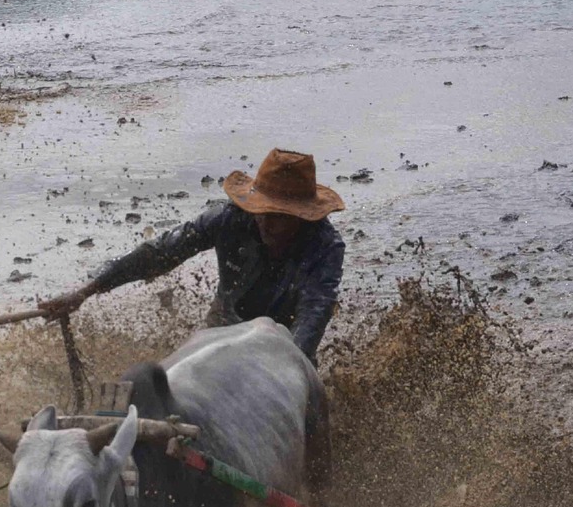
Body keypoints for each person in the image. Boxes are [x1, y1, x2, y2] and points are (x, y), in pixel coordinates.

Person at [40, 148, 346, 363]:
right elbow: (161, 252)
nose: (269, 224)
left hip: (282, 344)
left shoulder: (324, 246)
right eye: (263, 212)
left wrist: (291, 363)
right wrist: (86, 291)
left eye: (281, 217)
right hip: (223, 330)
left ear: (302, 217)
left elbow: (314, 311)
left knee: (307, 409)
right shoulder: (228, 220)